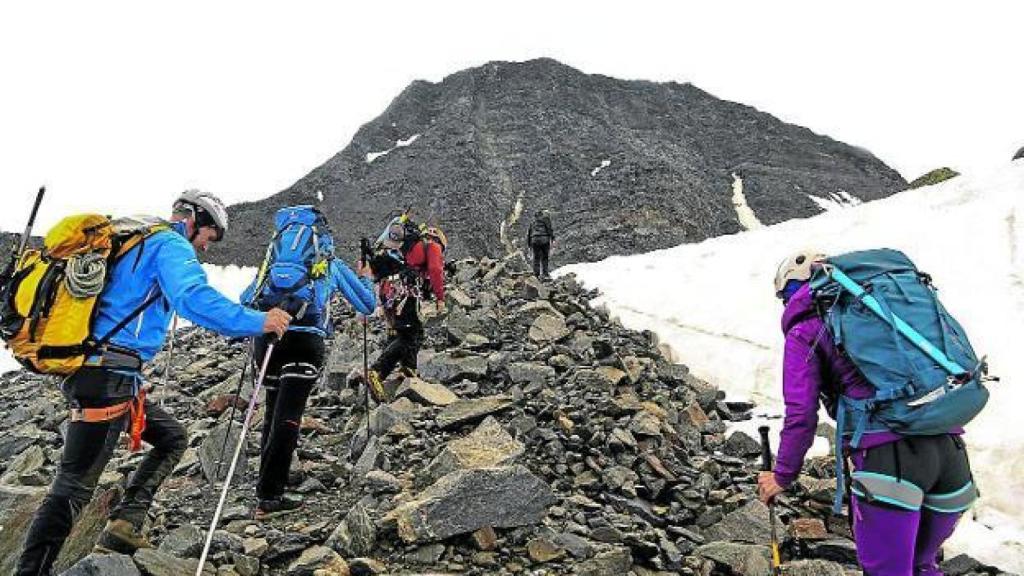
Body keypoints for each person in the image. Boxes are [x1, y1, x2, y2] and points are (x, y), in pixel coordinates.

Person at [16, 190, 292, 575]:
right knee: (74, 487)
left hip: (108, 374)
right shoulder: (170, 245)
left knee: (172, 438)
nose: (206, 248)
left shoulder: (138, 241)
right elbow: (192, 299)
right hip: (108, 375)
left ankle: (124, 524)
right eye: (208, 238)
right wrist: (258, 321)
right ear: (195, 220)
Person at [758, 250, 978, 576]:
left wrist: (782, 476)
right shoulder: (882, 309)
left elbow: (801, 414)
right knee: (922, 565)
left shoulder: (805, 329)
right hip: (951, 455)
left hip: (888, 462)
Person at [240, 205, 376, 517]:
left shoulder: (272, 261)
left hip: (268, 337)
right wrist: (366, 278)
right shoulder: (327, 262)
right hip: (306, 341)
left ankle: (267, 488)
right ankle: (270, 497)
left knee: (274, 409)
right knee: (289, 415)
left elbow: (246, 299)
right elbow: (367, 305)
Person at [351, 217, 446, 402]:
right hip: (405, 290)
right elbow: (435, 269)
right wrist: (440, 298)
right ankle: (377, 372)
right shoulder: (432, 246)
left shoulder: (405, 248)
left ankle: (408, 370)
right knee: (409, 334)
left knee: (407, 332)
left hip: (389, 291)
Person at [526, 209, 554, 279]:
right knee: (545, 257)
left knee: (536, 258)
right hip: (544, 239)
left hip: (534, 240)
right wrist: (552, 238)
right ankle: (545, 274)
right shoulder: (546, 219)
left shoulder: (532, 222)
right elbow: (549, 229)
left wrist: (529, 245)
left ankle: (536, 275)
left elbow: (529, 233)